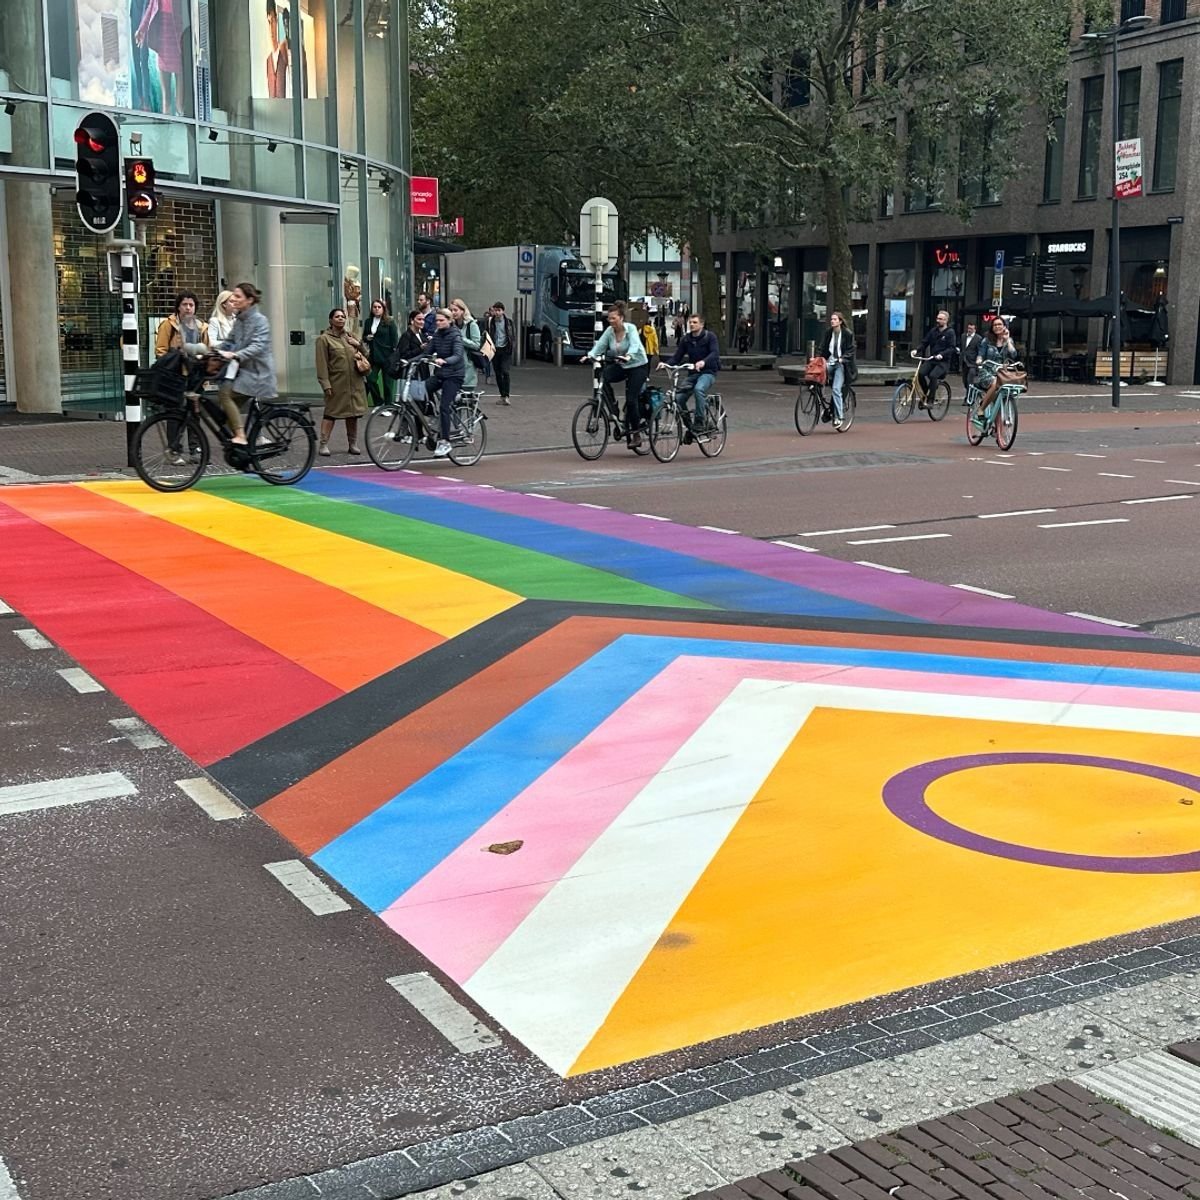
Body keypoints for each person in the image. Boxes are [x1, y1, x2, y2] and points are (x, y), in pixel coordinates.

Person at [216, 281, 276, 447]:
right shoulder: (240, 321)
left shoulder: (260, 320)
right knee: (227, 411)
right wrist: (211, 352)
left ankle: (242, 436)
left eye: (237, 296)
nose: (233, 299)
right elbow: (229, 341)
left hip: (258, 373)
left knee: (224, 394)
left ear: (249, 300)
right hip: (244, 372)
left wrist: (235, 354)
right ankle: (248, 444)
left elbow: (258, 346)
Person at [584, 303, 650, 449]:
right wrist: (590, 355)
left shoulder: (631, 329)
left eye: (613, 318)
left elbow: (635, 345)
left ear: (621, 318)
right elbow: (600, 345)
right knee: (604, 376)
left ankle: (636, 434)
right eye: (609, 318)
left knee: (631, 400)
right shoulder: (609, 331)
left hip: (637, 366)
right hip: (622, 365)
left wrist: (629, 355)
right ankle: (613, 409)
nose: (610, 321)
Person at [154, 291, 210, 459]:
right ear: (178, 307)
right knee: (175, 414)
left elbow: (207, 350)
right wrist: (173, 359)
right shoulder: (168, 325)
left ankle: (195, 449)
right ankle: (175, 450)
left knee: (194, 413)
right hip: (175, 377)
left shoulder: (202, 327)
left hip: (195, 376)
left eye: (191, 305)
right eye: (184, 304)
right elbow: (160, 350)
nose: (188, 308)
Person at [315, 308, 367, 455]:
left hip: (354, 383)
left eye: (343, 317)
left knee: (353, 415)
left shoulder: (350, 336)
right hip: (337, 384)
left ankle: (352, 444)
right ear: (330, 320)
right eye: (337, 317)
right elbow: (322, 364)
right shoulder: (323, 339)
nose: (341, 319)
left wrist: (358, 344)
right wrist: (325, 384)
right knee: (331, 414)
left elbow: (367, 354)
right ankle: (323, 444)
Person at [417, 308, 465, 457]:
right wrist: (407, 361)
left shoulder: (456, 336)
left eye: (441, 320)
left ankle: (445, 441)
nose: (438, 323)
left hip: (454, 375)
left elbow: (457, 355)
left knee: (444, 406)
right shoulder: (437, 335)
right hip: (441, 373)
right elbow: (426, 353)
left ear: (449, 321)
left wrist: (444, 360)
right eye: (436, 320)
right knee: (418, 392)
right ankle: (424, 428)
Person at [665, 312, 719, 437]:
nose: (692, 325)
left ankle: (699, 421)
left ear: (702, 324)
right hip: (693, 373)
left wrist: (703, 362)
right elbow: (677, 357)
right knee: (678, 399)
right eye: (690, 322)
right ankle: (691, 428)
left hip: (708, 372)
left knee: (698, 389)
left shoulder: (710, 337)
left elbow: (715, 353)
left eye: (695, 322)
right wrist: (666, 364)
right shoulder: (686, 339)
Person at [972, 316, 1020, 423]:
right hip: (987, 372)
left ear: (1004, 327)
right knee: (995, 383)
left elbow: (1013, 355)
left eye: (1000, 324)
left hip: (1002, 373)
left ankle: (997, 430)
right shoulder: (986, 340)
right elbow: (980, 354)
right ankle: (981, 409)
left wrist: (1007, 340)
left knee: (1004, 392)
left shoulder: (1009, 340)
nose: (997, 327)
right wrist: (979, 360)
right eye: (995, 325)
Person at [819, 311, 856, 431]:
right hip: (830, 362)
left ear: (840, 321)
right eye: (831, 319)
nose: (832, 321)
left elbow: (851, 350)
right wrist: (818, 358)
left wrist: (842, 359)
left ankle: (839, 417)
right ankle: (824, 403)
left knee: (836, 389)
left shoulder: (847, 334)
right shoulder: (828, 333)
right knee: (817, 376)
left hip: (841, 365)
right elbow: (824, 347)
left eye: (835, 319)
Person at [914, 309, 957, 407]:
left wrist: (942, 354)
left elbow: (952, 348)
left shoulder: (950, 332)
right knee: (920, 374)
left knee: (933, 376)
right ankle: (925, 393)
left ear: (946, 321)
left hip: (943, 362)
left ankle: (931, 400)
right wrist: (917, 350)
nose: (938, 320)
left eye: (941, 319)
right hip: (932, 359)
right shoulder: (933, 331)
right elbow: (925, 342)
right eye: (937, 318)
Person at [362, 298, 398, 405]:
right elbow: (364, 336)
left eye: (379, 307)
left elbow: (394, 339)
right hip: (373, 355)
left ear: (383, 309)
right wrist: (366, 338)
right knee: (370, 379)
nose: (377, 309)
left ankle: (388, 405)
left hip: (387, 356)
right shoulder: (368, 321)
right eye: (375, 307)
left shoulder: (389, 322)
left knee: (388, 384)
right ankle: (378, 402)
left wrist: (394, 355)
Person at [449, 298, 483, 393]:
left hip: (467, 366)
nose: (453, 313)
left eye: (456, 310)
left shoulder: (471, 325)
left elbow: (476, 344)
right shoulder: (451, 325)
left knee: (466, 399)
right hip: (453, 366)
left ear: (463, 311)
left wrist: (460, 339)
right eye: (451, 310)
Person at [485, 302, 516, 406]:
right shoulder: (490, 322)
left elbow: (512, 335)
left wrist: (512, 346)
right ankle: (502, 395)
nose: (497, 313)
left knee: (505, 371)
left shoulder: (509, 322)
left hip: (505, 349)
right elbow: (486, 334)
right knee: (498, 373)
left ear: (503, 311)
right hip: (495, 350)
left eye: (499, 310)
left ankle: (506, 396)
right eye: (495, 310)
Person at [960, 321, 982, 402]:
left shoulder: (978, 338)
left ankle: (968, 398)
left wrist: (979, 359)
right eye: (968, 328)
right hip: (964, 362)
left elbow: (980, 350)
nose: (969, 330)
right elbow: (962, 347)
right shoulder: (963, 336)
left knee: (970, 380)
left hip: (973, 363)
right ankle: (972, 391)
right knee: (965, 381)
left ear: (975, 330)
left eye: (971, 329)